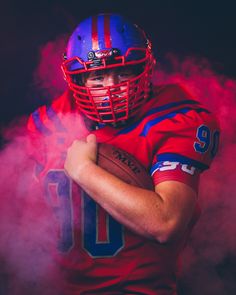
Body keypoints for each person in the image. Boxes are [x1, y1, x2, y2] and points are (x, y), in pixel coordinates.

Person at [26, 13, 220, 294]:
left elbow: (166, 222)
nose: (112, 86)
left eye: (124, 71)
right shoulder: (48, 122)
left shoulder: (176, 118)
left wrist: (84, 171)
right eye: (97, 75)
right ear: (78, 78)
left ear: (145, 67)